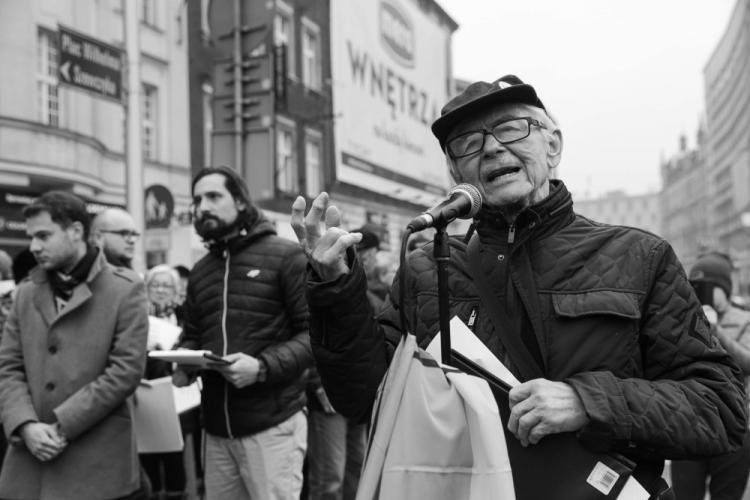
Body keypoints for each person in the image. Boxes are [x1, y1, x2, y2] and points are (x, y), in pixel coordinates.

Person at [291, 75, 748, 497]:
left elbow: (720, 408)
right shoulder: (427, 270)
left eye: (511, 129)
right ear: (456, 173)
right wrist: (336, 289)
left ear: (553, 145)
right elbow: (364, 398)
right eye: (468, 143)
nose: (490, 149)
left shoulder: (639, 258)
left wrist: (587, 402)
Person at [172, 166, 313, 500]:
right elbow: (193, 334)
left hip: (273, 425)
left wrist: (262, 368)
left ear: (239, 201)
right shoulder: (201, 271)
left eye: (213, 196)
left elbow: (315, 336)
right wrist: (182, 361)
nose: (202, 206)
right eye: (196, 199)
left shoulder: (285, 256)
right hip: (216, 430)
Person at [0, 190, 149, 499]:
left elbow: (125, 372)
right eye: (32, 237)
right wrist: (25, 425)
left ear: (76, 231)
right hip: (30, 463)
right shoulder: (26, 293)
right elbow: (8, 368)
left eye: (43, 235)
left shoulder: (125, 289)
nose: (34, 247)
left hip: (97, 462)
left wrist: (61, 424)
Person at [671, 252, 750, 500]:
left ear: (723, 288)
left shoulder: (745, 320)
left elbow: (747, 363)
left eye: (707, 286)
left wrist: (715, 331)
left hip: (734, 426)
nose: (699, 291)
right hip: (690, 422)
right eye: (694, 285)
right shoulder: (683, 318)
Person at [140, 265, 189, 500]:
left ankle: (176, 493)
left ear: (176, 290)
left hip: (177, 392)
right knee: (147, 451)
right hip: (145, 391)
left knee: (175, 451)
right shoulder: (137, 315)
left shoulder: (184, 315)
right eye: (155, 285)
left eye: (166, 285)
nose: (160, 290)